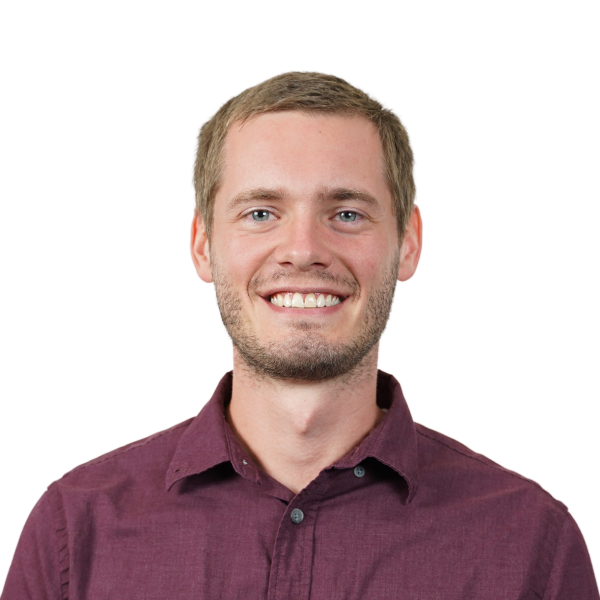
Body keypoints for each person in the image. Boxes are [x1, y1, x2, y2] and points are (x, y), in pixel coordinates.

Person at [2, 70, 598, 599]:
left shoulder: (531, 546)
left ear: (410, 244)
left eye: (347, 213)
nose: (304, 250)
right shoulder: (75, 528)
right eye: (261, 213)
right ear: (203, 245)